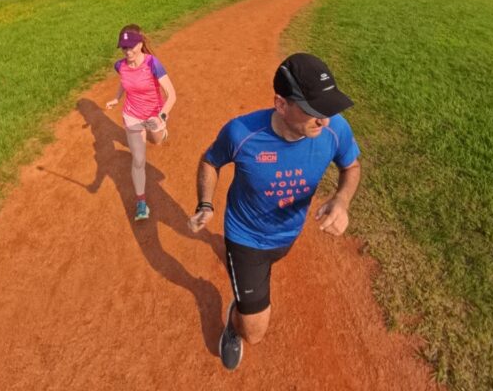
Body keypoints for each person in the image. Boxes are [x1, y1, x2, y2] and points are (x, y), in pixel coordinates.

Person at [188, 53, 362, 371]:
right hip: (246, 238)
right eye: (313, 111)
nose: (324, 121)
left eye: (327, 109)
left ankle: (246, 300)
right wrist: (205, 204)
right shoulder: (242, 133)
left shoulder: (334, 128)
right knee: (254, 333)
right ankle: (235, 321)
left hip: (287, 235)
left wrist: (342, 200)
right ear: (281, 104)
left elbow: (350, 166)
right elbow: (211, 161)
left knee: (272, 267)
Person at [106, 24, 177, 221]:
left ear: (140, 43)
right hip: (132, 115)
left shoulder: (152, 63)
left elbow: (172, 95)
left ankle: (163, 131)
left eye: (131, 46)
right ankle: (141, 203)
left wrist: (161, 116)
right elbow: (124, 80)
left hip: (155, 115)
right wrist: (116, 98)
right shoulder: (120, 66)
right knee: (138, 159)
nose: (128, 51)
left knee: (157, 140)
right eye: (124, 48)